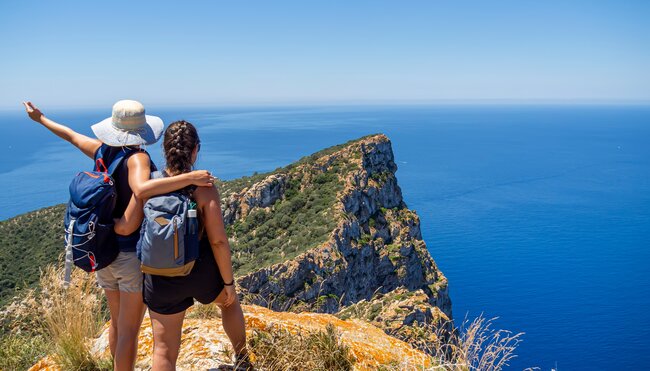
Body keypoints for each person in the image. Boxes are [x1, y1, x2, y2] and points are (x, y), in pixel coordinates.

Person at [23, 100, 215, 371]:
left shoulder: (101, 151)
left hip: (104, 252)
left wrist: (40, 119)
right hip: (127, 256)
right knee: (128, 331)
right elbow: (141, 191)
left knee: (117, 323)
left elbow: (72, 136)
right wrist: (189, 178)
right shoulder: (138, 158)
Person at [118, 120, 250, 371]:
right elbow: (218, 241)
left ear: (166, 150)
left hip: (160, 277)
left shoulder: (150, 186)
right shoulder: (203, 188)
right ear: (195, 151)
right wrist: (229, 285)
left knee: (165, 351)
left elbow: (129, 226)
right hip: (199, 271)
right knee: (229, 303)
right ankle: (242, 358)